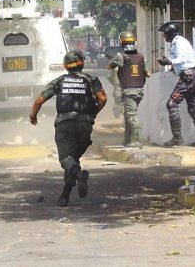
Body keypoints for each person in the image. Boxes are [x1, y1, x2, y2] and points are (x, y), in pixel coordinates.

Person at [30, 50, 107, 207]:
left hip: (65, 124)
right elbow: (103, 98)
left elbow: (39, 100)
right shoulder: (91, 79)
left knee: (67, 159)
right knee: (73, 160)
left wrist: (33, 116)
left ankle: (78, 176)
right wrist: (92, 113)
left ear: (66, 66)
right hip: (85, 124)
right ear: (82, 64)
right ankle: (64, 196)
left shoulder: (59, 81)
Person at [157, 22, 195, 147]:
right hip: (194, 75)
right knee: (193, 108)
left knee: (172, 103)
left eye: (164, 34)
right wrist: (175, 68)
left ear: (169, 33)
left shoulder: (178, 42)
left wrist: (169, 61)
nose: (163, 36)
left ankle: (177, 138)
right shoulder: (183, 41)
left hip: (188, 77)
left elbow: (182, 58)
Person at [108, 31, 151, 148]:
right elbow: (148, 73)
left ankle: (137, 141)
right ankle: (127, 140)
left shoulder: (120, 56)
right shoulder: (141, 57)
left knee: (132, 115)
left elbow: (110, 67)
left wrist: (114, 60)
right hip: (140, 90)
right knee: (128, 114)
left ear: (121, 42)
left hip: (128, 91)